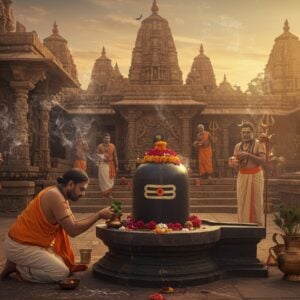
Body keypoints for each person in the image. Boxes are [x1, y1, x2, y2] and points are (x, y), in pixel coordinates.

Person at [0, 168, 114, 283]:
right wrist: (99, 215)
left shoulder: (60, 195)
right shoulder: (55, 196)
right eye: (81, 189)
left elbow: (73, 223)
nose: (83, 194)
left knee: (64, 261)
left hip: (29, 243)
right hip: (20, 245)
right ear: (70, 184)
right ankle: (20, 269)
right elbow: (73, 230)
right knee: (61, 272)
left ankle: (16, 263)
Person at [228, 121, 266, 225]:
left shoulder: (259, 143)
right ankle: (243, 224)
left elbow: (263, 160)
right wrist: (232, 163)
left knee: (256, 202)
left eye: (248, 132)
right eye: (243, 132)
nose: (245, 134)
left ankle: (257, 225)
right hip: (242, 176)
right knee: (242, 202)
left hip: (256, 175)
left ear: (253, 132)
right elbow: (235, 161)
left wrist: (248, 155)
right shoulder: (237, 146)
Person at [96, 133, 118, 199]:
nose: (107, 139)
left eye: (108, 138)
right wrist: (102, 157)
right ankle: (104, 195)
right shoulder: (99, 146)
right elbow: (96, 155)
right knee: (102, 180)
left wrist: (117, 165)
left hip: (111, 164)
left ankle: (110, 194)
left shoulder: (112, 146)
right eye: (106, 138)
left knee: (110, 180)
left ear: (110, 139)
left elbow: (115, 156)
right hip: (103, 164)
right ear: (103, 139)